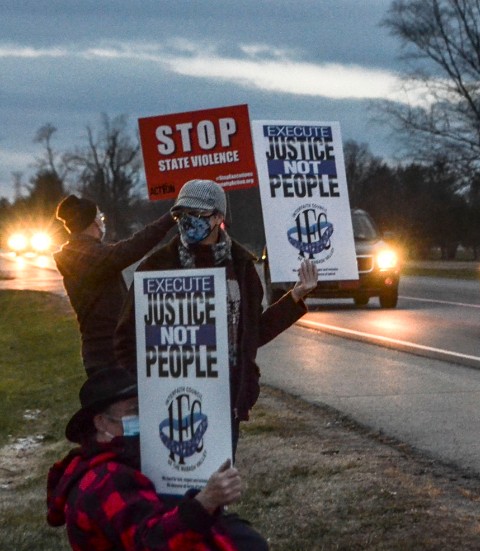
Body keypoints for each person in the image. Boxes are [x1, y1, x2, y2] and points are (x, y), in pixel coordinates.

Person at [115, 179, 317, 449]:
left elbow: (253, 333)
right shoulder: (156, 267)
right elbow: (126, 337)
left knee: (222, 480)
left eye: (197, 215)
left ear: (219, 217)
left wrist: (294, 297)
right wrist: (147, 384)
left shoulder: (242, 267)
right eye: (181, 215)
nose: (188, 222)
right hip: (171, 399)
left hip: (226, 398)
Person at [47, 368, 267, 550]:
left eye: (147, 407)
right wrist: (205, 502)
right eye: (135, 410)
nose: (145, 417)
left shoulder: (114, 458)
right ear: (102, 422)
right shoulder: (107, 478)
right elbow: (151, 542)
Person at [54, 195, 175, 375]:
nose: (102, 222)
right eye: (99, 218)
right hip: (110, 354)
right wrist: (171, 217)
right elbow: (133, 246)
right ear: (92, 223)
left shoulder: (79, 255)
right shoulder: (89, 257)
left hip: (100, 352)